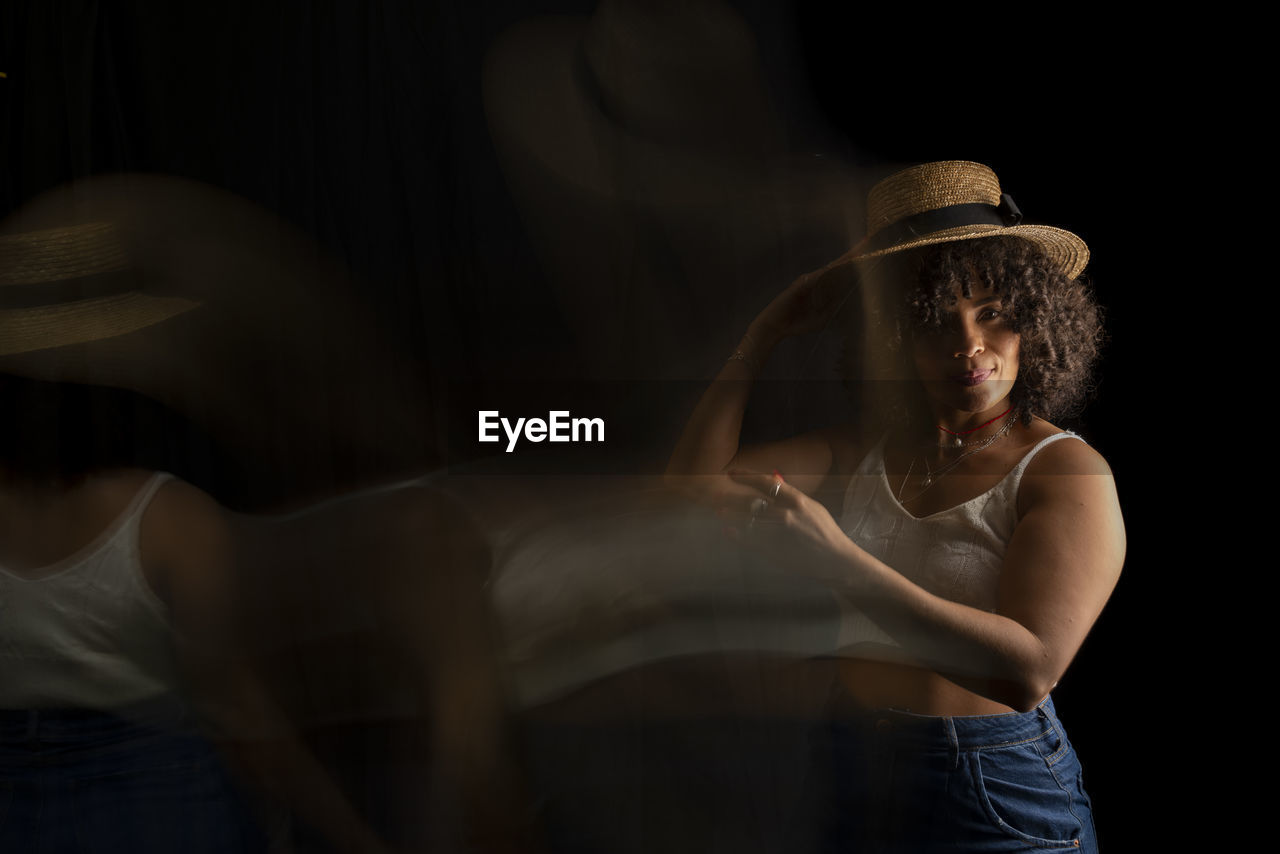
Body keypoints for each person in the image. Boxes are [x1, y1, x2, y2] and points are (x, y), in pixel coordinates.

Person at [666, 161, 1125, 852]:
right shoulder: (865, 452)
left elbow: (1030, 672)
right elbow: (690, 493)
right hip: (858, 773)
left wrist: (840, 563)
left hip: (993, 786)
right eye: (934, 320)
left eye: (992, 312)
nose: (969, 344)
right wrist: (761, 337)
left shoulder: (1063, 470)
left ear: (1032, 319)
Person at [0, 222, 395, 853]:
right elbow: (237, 710)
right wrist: (355, 839)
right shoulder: (173, 520)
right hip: (159, 796)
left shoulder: (170, 518)